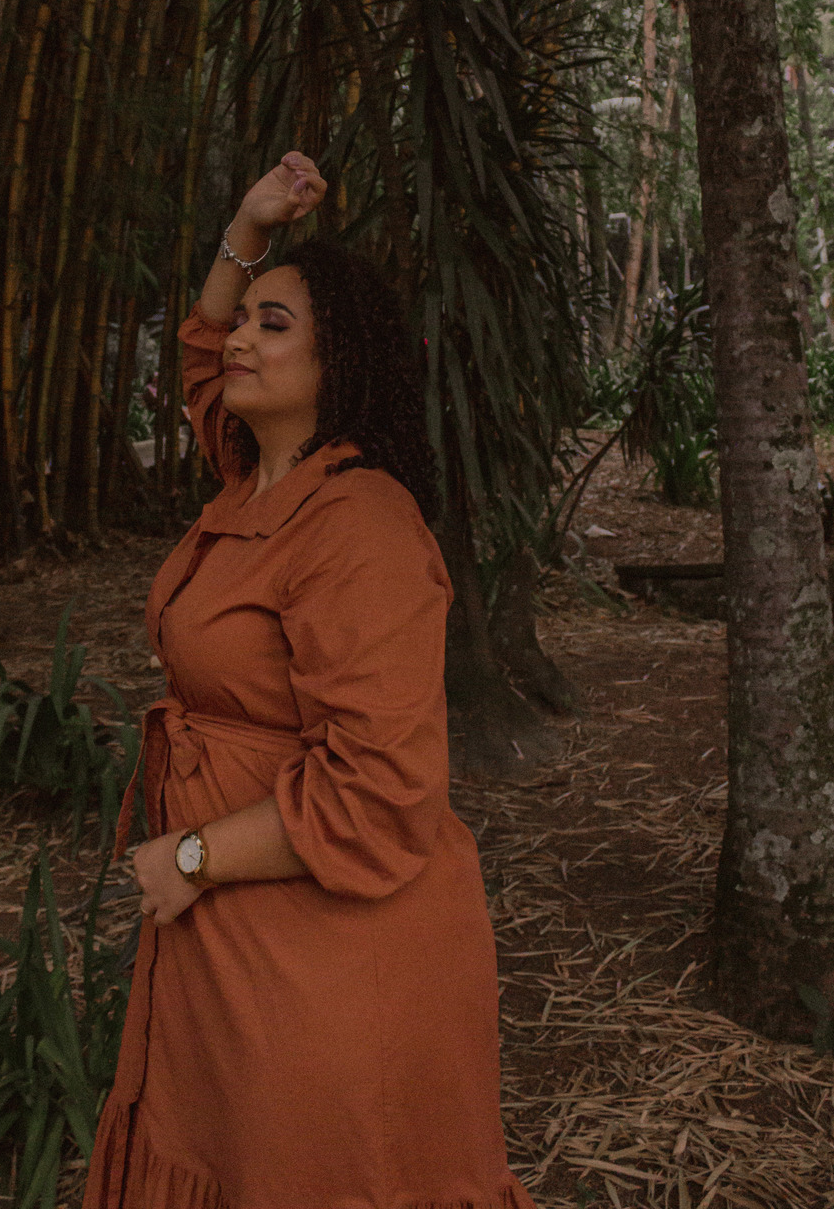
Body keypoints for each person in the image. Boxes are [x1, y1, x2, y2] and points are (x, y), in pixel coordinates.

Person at [83, 152, 536, 1209]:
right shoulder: (256, 480)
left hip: (326, 949)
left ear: (343, 363)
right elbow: (202, 353)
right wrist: (250, 226)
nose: (238, 337)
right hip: (239, 929)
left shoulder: (359, 526)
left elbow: (381, 790)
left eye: (273, 324)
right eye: (245, 318)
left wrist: (192, 854)